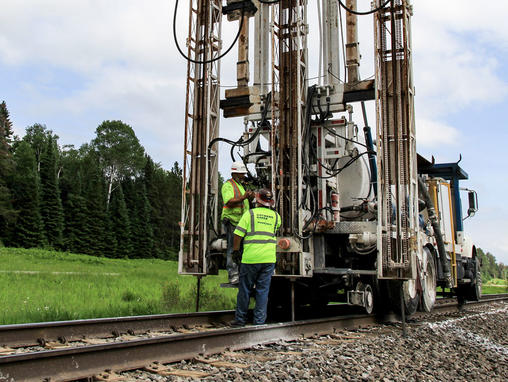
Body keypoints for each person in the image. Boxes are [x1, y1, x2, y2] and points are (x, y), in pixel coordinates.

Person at [230, 188, 281, 326]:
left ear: (257, 200)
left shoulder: (250, 214)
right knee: (262, 291)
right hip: (268, 260)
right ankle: (259, 322)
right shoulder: (277, 217)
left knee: (245, 290)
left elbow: (238, 234)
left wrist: (235, 251)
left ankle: (240, 320)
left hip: (250, 259)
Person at [221, 161, 254, 284]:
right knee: (232, 249)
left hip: (240, 222)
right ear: (235, 173)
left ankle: (241, 274)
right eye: (242, 173)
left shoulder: (240, 185)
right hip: (232, 221)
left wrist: (248, 197)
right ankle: (233, 275)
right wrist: (244, 197)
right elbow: (229, 202)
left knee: (241, 249)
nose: (244, 176)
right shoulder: (228, 186)